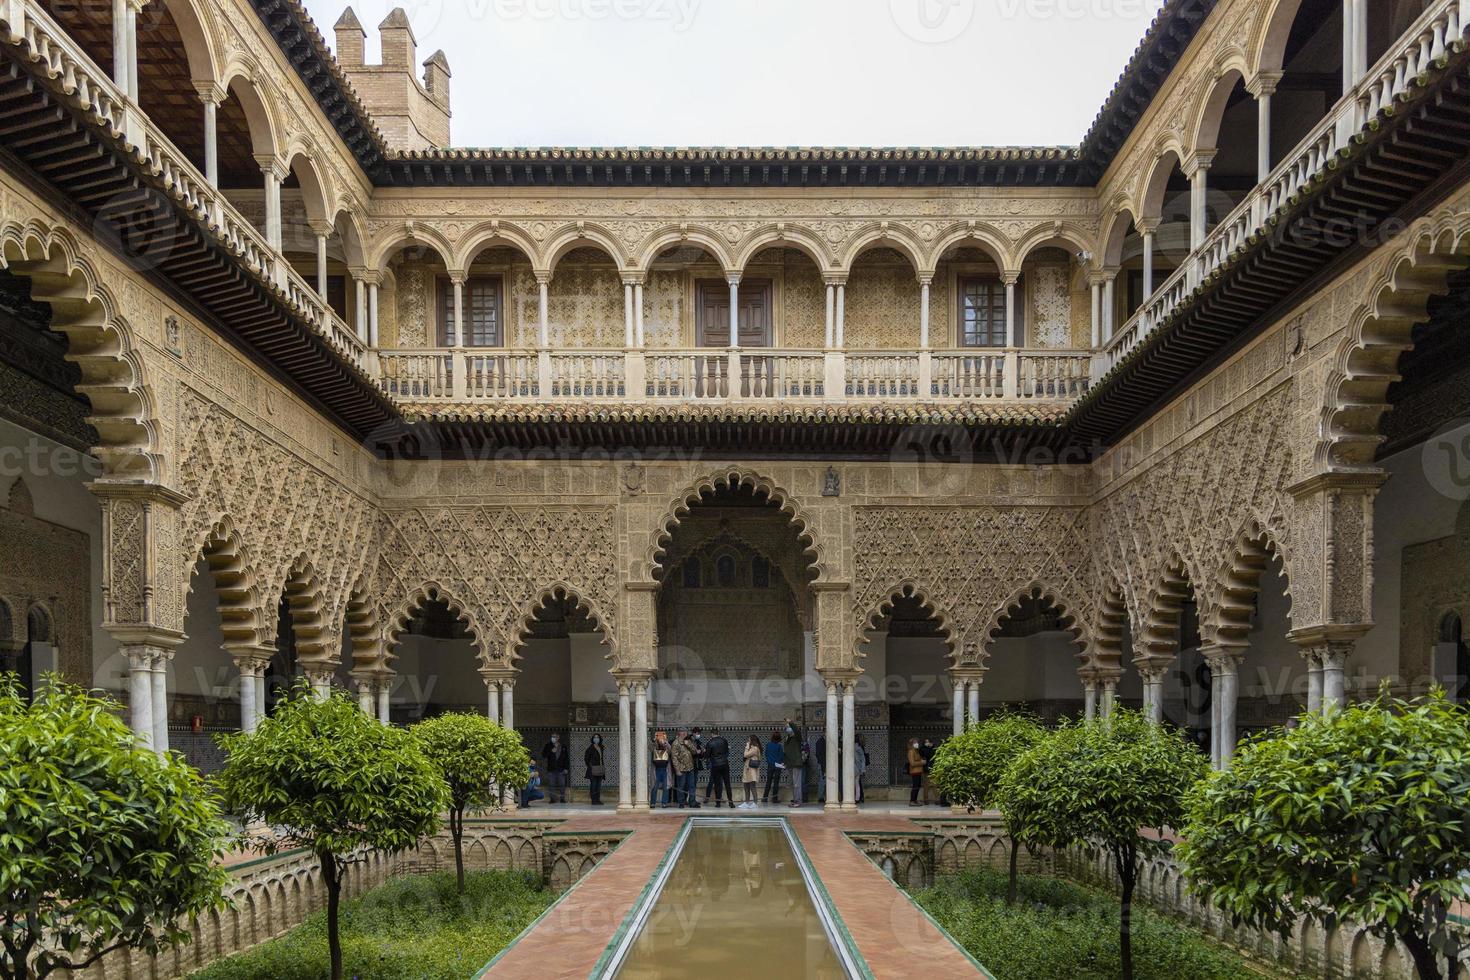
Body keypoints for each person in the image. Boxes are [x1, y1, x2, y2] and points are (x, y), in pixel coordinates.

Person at [704, 727, 732, 808]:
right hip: (725, 764)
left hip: (715, 765)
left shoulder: (710, 742)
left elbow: (707, 756)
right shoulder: (724, 741)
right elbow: (727, 752)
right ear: (718, 733)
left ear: (712, 734)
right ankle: (731, 802)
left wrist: (704, 753)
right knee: (727, 783)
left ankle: (718, 803)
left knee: (717, 785)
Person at [671, 727, 699, 808]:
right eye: (685, 732)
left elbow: (694, 752)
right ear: (680, 733)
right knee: (681, 786)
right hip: (681, 769)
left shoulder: (688, 741)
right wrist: (677, 770)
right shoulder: (675, 743)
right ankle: (681, 803)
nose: (686, 733)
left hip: (690, 768)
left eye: (686, 732)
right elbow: (674, 758)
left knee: (692, 786)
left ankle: (692, 802)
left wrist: (688, 744)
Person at [541, 733, 570, 804]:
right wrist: (551, 751)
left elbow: (566, 758)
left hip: (561, 769)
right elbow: (544, 755)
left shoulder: (563, 746)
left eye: (555, 737)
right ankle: (552, 799)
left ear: (558, 738)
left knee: (562, 784)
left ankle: (562, 798)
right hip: (551, 769)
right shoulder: (548, 746)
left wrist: (566, 768)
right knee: (551, 784)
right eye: (552, 736)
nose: (553, 738)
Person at [782, 721, 804, 807]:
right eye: (786, 727)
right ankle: (795, 800)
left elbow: (797, 730)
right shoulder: (788, 739)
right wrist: (785, 762)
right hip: (790, 764)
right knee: (793, 784)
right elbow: (787, 752)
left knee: (797, 784)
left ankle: (797, 801)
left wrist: (790, 722)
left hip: (796, 763)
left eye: (788, 727)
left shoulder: (797, 737)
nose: (787, 728)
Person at [651, 731, 672, 808]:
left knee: (665, 787)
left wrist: (665, 741)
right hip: (656, 770)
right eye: (659, 737)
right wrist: (654, 740)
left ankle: (664, 803)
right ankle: (653, 803)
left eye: (661, 737)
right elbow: (650, 748)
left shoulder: (666, 746)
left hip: (665, 770)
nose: (661, 739)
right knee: (654, 787)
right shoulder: (655, 746)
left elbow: (670, 750)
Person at [762, 731, 783, 804]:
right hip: (778, 766)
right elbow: (781, 756)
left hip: (770, 765)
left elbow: (766, 755)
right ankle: (774, 799)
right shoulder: (779, 746)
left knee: (768, 782)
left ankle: (764, 798)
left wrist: (770, 762)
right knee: (776, 783)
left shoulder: (768, 745)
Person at [741, 735, 762, 808]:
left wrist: (747, 746)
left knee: (752, 786)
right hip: (747, 769)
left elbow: (745, 755)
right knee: (746, 786)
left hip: (752, 770)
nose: (748, 741)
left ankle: (755, 803)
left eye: (749, 740)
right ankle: (746, 802)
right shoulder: (751, 748)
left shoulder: (755, 748)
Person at [585, 734, 606, 806]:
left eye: (597, 737)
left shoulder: (601, 747)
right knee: (593, 785)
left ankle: (598, 800)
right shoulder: (590, 748)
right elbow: (586, 759)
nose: (596, 739)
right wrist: (591, 766)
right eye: (595, 737)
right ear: (592, 739)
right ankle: (593, 800)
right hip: (593, 770)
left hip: (600, 768)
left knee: (598, 785)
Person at [907, 739, 926, 806]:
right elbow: (912, 763)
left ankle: (915, 800)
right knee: (915, 786)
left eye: (917, 742)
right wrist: (921, 762)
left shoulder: (916, 751)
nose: (916, 744)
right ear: (911, 744)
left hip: (918, 771)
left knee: (917, 786)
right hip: (914, 771)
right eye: (915, 742)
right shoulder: (911, 751)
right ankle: (912, 801)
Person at [920, 737, 938, 805]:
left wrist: (932, 747)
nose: (927, 743)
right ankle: (926, 799)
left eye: (928, 742)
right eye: (926, 742)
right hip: (926, 769)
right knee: (926, 785)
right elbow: (925, 755)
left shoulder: (933, 749)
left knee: (935, 785)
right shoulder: (922, 749)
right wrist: (928, 748)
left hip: (933, 769)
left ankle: (937, 799)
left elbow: (933, 756)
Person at [854, 733, 868, 805]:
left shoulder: (851, 747)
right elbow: (863, 759)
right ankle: (857, 798)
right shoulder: (859, 747)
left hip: (852, 769)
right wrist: (862, 769)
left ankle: (854, 798)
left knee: (854, 784)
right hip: (857, 769)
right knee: (857, 784)